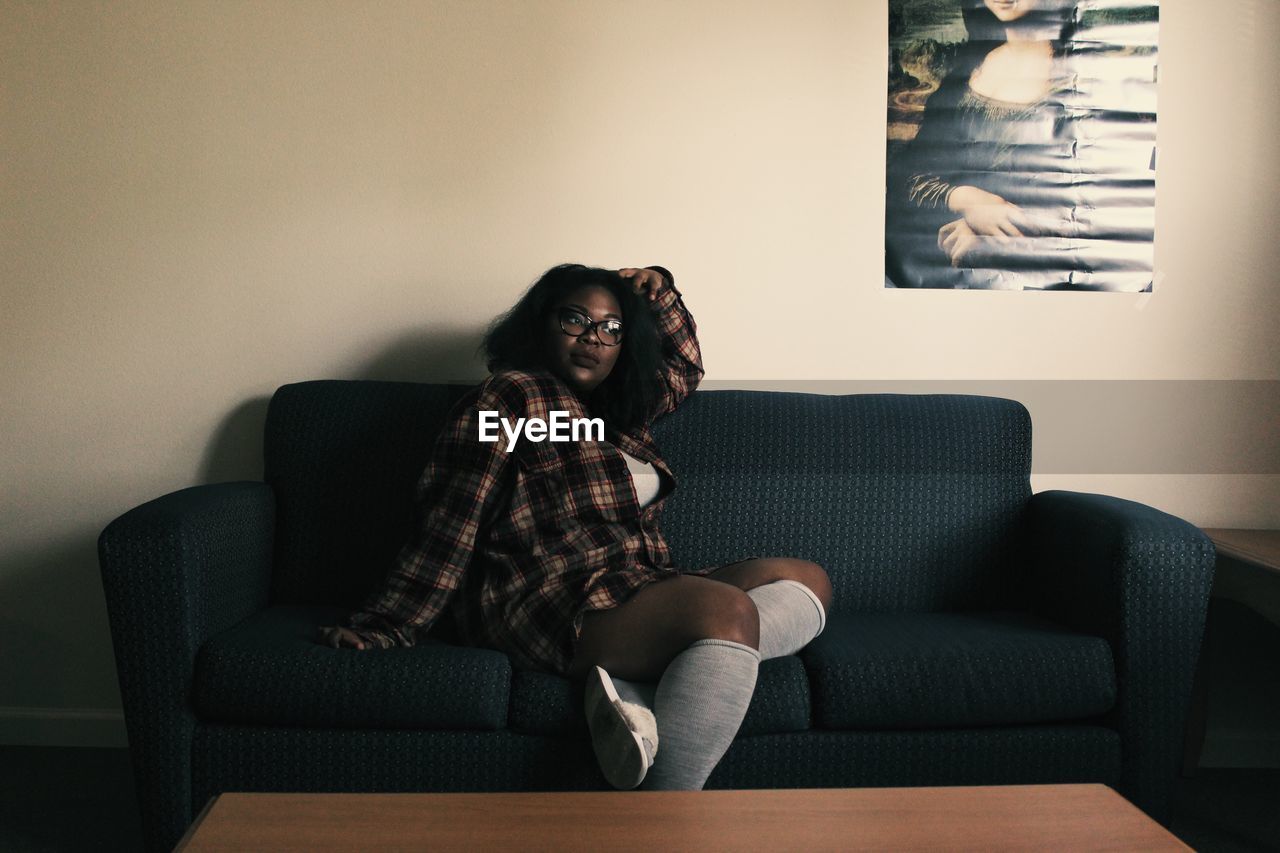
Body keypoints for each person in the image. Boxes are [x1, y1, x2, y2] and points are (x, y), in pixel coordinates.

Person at [317, 263, 833, 792]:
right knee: (726, 611)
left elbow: (683, 367)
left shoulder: (618, 416)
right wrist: (388, 623)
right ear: (541, 325)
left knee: (805, 578)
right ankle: (665, 814)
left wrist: (659, 291)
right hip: (545, 595)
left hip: (634, 584)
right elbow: (453, 517)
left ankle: (634, 687)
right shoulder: (512, 399)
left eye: (612, 328)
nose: (594, 337)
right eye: (576, 320)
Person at [885, 0, 1155, 291]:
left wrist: (1002, 241)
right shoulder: (965, 70)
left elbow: (1105, 206)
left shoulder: (1089, 77)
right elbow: (907, 177)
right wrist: (967, 199)